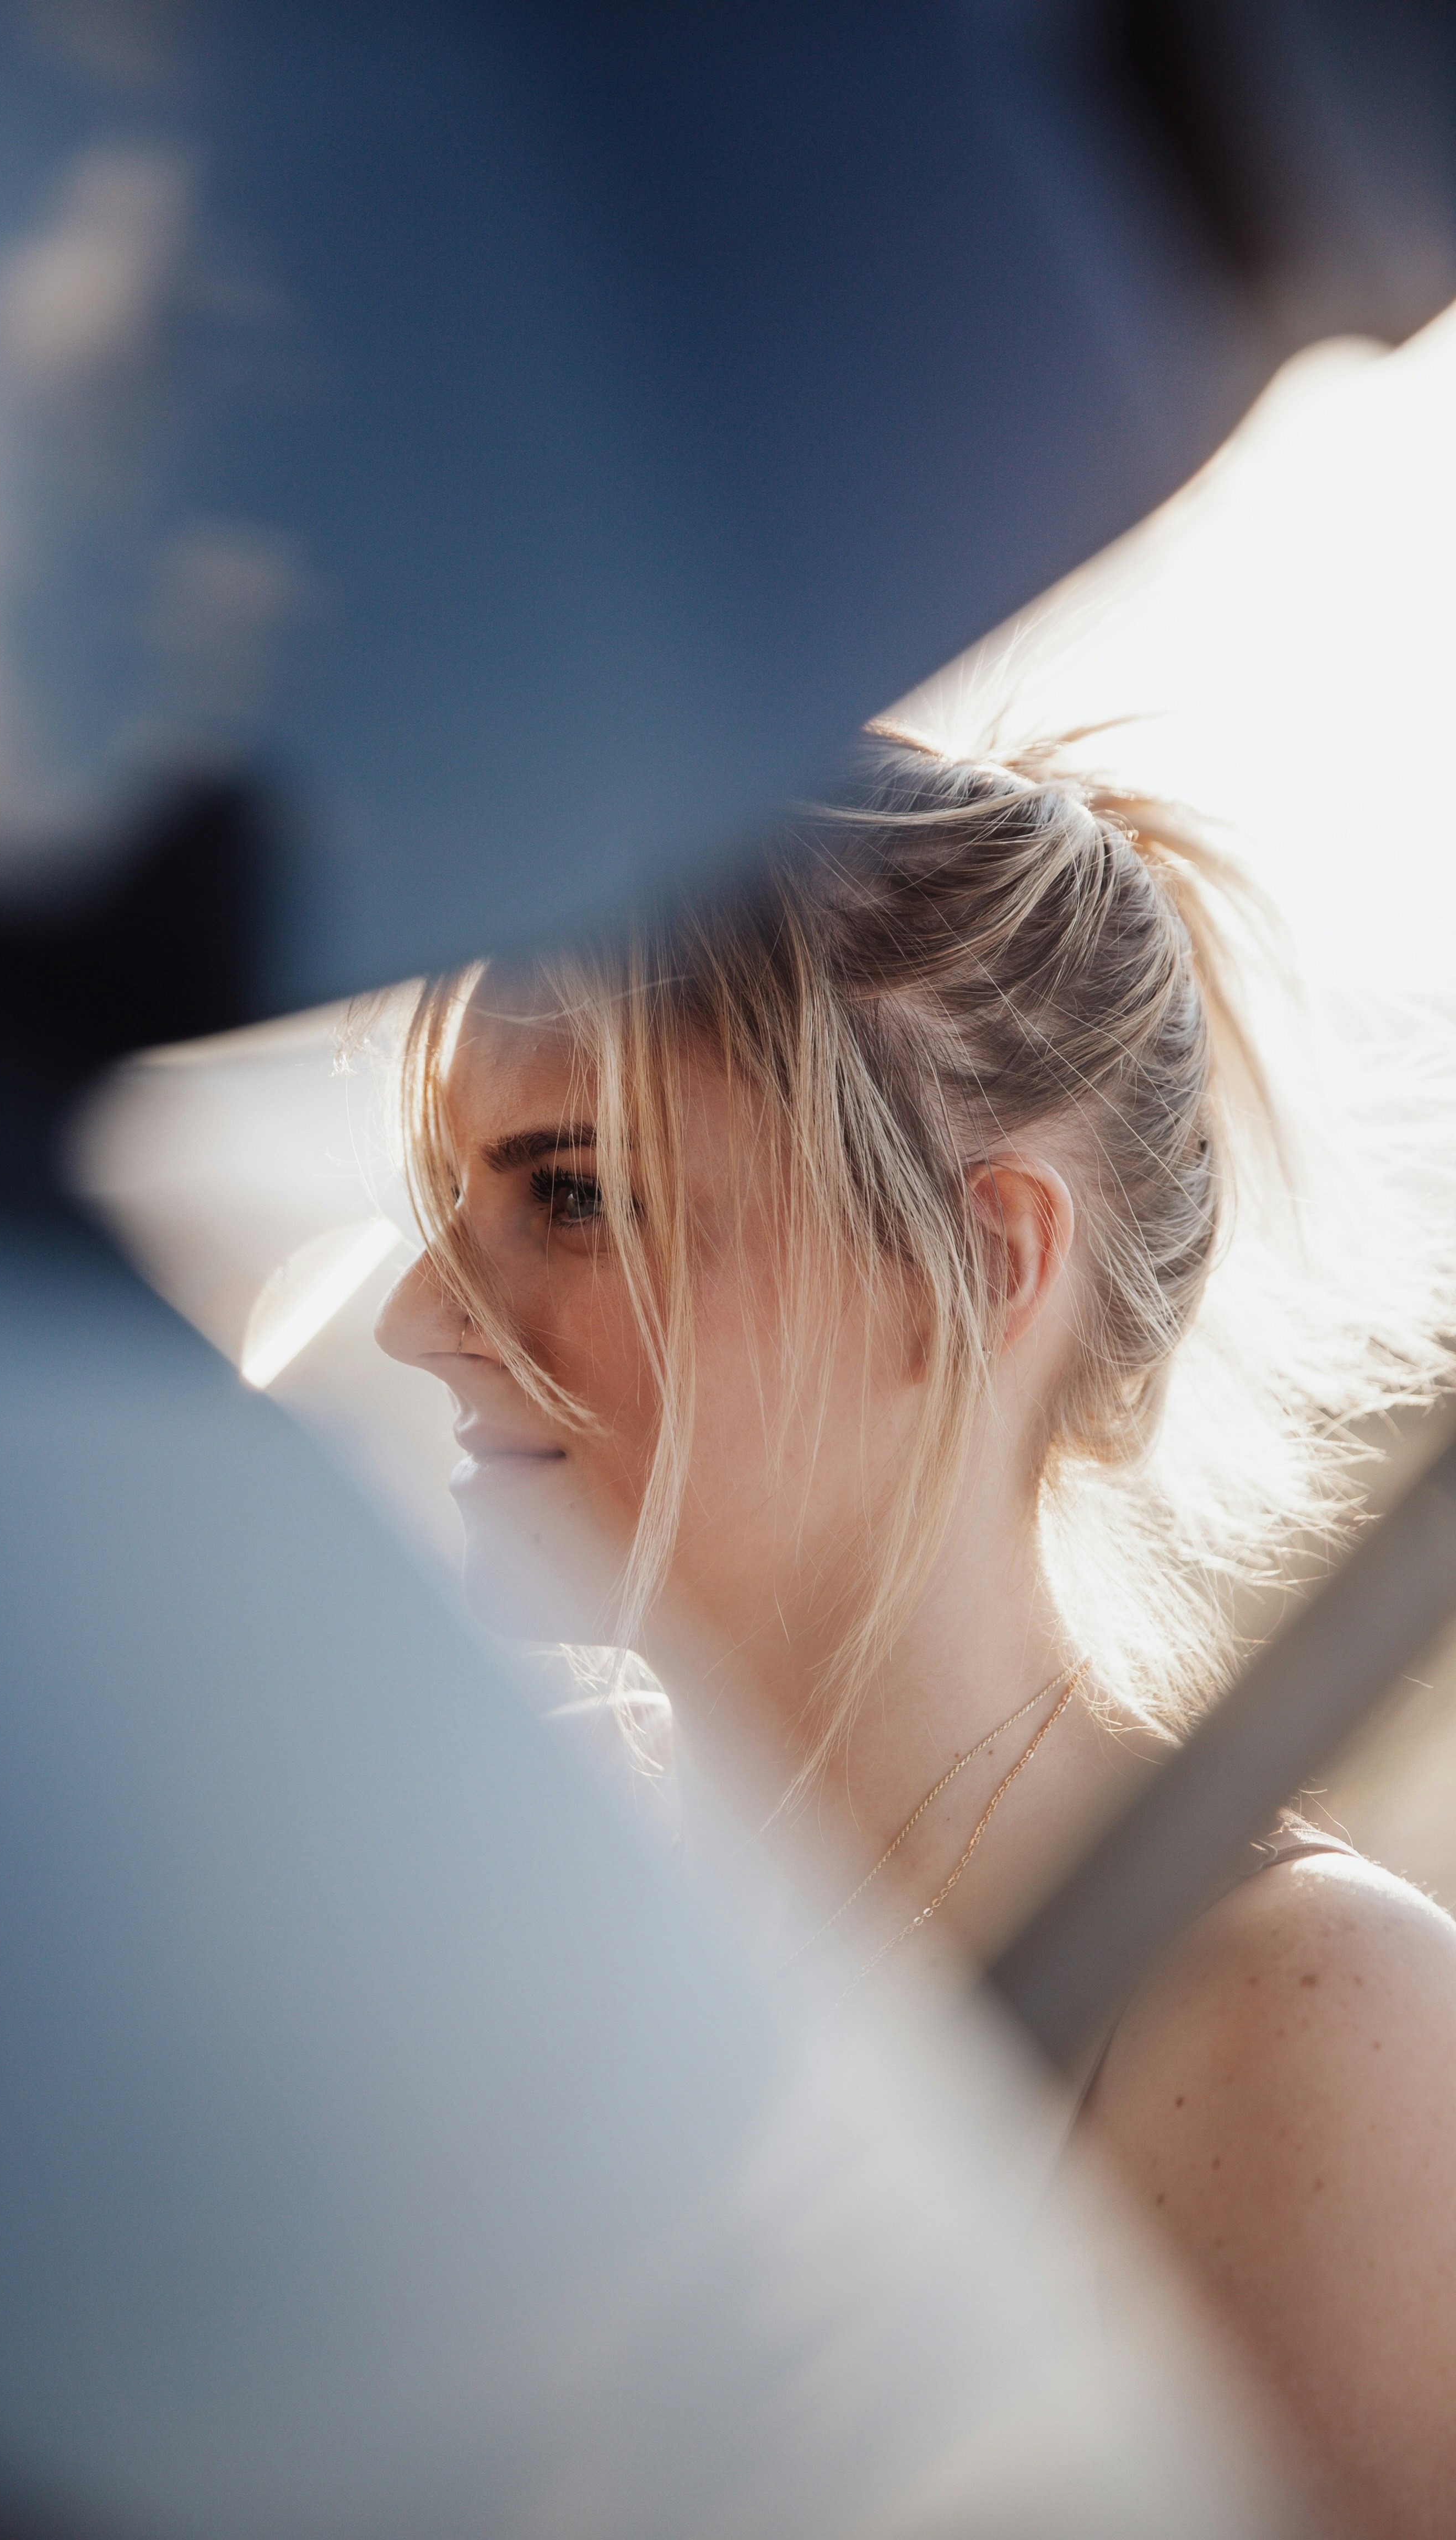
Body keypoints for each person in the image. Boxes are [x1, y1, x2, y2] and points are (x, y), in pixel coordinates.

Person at [374, 728, 1456, 2539]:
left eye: (573, 1189)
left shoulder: (1307, 2024)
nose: (422, 1312)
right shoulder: (484, 1897)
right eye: (451, 1197)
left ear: (986, 1260)